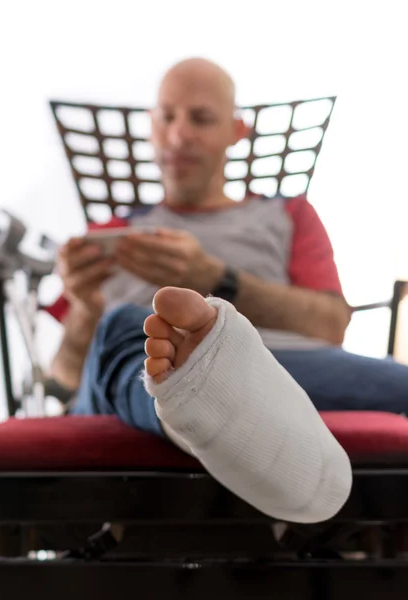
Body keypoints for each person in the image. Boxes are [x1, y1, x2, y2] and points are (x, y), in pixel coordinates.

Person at [50, 55, 408, 523]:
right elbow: (64, 378)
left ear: (236, 132)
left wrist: (218, 280)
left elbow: (330, 325)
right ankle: (187, 397)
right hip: (129, 374)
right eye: (167, 116)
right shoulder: (108, 235)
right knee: (123, 326)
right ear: (151, 127)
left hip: (288, 368)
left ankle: (200, 392)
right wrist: (84, 308)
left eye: (200, 118)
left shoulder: (287, 216)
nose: (179, 135)